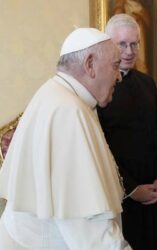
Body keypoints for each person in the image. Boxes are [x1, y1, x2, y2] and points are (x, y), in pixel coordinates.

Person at [0, 28, 131, 249]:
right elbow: (88, 225)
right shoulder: (69, 112)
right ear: (90, 65)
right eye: (115, 65)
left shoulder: (56, 94)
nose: (119, 75)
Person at [97, 14, 157, 250]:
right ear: (109, 45)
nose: (129, 51)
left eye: (134, 44)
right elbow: (101, 146)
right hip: (121, 193)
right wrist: (130, 189)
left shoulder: (147, 82)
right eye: (122, 44)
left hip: (153, 188)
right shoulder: (99, 88)